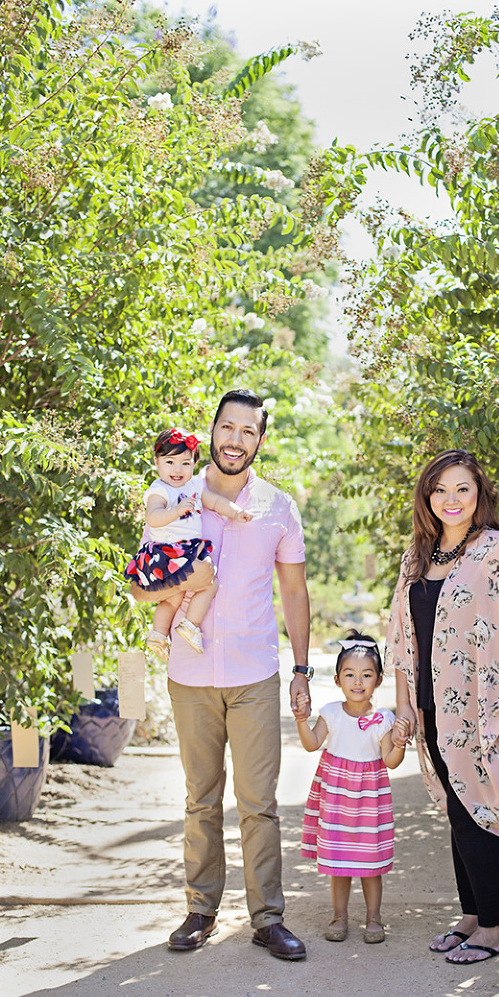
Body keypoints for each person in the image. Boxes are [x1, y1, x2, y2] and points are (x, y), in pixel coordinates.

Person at [129, 390, 311, 960]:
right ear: (212, 431)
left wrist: (302, 669)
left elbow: (295, 592)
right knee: (200, 800)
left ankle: (268, 919)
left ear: (260, 440)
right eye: (227, 427)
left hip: (254, 672)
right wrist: (178, 588)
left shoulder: (278, 507)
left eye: (248, 431)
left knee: (259, 803)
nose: (235, 440)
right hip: (190, 674)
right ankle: (200, 911)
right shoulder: (175, 494)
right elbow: (141, 585)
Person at [386, 449, 499, 964]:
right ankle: (472, 916)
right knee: (458, 812)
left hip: (486, 709)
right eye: (440, 490)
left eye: (462, 489)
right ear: (427, 497)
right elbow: (402, 640)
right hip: (433, 708)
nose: (450, 499)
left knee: (476, 813)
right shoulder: (417, 557)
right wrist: (405, 707)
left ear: (480, 495)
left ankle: (493, 929)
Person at [294, 631, 410, 944]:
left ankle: (374, 918)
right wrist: (302, 720)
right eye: (349, 674)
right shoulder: (331, 713)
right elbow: (312, 743)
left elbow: (390, 761)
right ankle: (339, 916)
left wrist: (399, 743)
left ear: (379, 680)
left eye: (366, 675)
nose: (358, 682)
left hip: (370, 801)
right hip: (336, 799)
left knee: (371, 864)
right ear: (337, 680)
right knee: (339, 863)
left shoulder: (384, 718)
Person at [125, 427, 252, 662]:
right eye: (170, 462)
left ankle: (158, 634)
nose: (177, 469)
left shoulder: (193, 486)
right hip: (167, 552)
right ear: (157, 462)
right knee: (210, 584)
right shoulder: (159, 490)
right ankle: (190, 624)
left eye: (185, 463)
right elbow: (153, 517)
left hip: (184, 551)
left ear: (194, 464)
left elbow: (215, 502)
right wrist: (176, 510)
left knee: (173, 598)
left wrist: (235, 512)